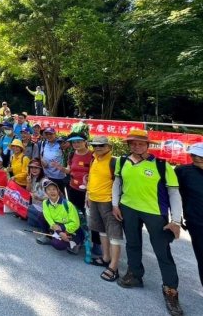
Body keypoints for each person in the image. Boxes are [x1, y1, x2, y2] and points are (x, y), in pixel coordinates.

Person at [112, 129, 183, 316]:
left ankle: (171, 290)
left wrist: (176, 220)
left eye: (140, 143)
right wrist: (115, 204)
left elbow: (174, 193)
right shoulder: (122, 161)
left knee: (163, 252)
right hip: (128, 209)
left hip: (155, 213)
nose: (136, 146)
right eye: (132, 143)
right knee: (133, 244)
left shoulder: (161, 165)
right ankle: (135, 275)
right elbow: (117, 184)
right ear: (129, 145)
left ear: (147, 145)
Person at [87, 136, 123, 282]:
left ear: (109, 146)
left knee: (114, 233)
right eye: (95, 145)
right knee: (101, 230)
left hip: (108, 202)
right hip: (93, 199)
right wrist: (87, 195)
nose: (98, 148)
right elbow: (90, 178)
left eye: (101, 145)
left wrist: (116, 204)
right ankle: (106, 257)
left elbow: (118, 184)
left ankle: (114, 266)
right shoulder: (94, 159)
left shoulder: (114, 161)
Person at [176, 142, 203, 288]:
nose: (196, 158)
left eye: (200, 155)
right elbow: (172, 194)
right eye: (193, 155)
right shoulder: (183, 171)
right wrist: (176, 217)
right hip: (197, 222)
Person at [39, 179, 84, 254]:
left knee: (57, 245)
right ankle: (49, 237)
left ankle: (77, 244)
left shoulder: (67, 204)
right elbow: (48, 217)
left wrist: (62, 229)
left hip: (72, 229)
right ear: (46, 193)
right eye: (49, 190)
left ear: (58, 191)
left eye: (54, 189)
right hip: (58, 228)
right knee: (41, 216)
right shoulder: (45, 202)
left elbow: (76, 223)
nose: (52, 191)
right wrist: (59, 231)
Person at [40, 127, 67, 194]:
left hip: (59, 176)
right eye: (47, 134)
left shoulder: (60, 144)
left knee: (59, 194)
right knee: (48, 194)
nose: (49, 136)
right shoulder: (43, 143)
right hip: (46, 175)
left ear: (55, 134)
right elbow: (40, 155)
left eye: (51, 134)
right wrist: (42, 161)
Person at [26, 159, 47, 230]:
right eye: (31, 167)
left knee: (26, 208)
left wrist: (38, 198)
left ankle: (45, 223)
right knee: (30, 223)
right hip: (35, 206)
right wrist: (28, 182)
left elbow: (51, 198)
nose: (33, 170)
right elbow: (28, 191)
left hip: (44, 209)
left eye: (36, 168)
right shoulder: (33, 178)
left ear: (41, 169)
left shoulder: (45, 181)